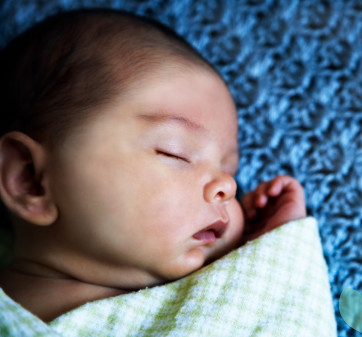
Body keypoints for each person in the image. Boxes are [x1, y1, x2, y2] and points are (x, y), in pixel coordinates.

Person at [0, 8, 306, 322]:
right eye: (175, 153)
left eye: (230, 173)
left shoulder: (211, 307)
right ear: (30, 179)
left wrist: (272, 252)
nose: (227, 187)